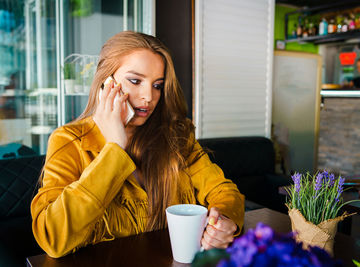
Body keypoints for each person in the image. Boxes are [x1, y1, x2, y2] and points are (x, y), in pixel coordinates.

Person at [31, 31, 244, 258]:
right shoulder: (69, 141)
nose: (149, 96)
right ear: (106, 82)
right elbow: (52, 237)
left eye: (157, 85)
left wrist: (224, 221)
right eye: (135, 81)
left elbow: (224, 191)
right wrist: (114, 147)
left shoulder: (177, 137)